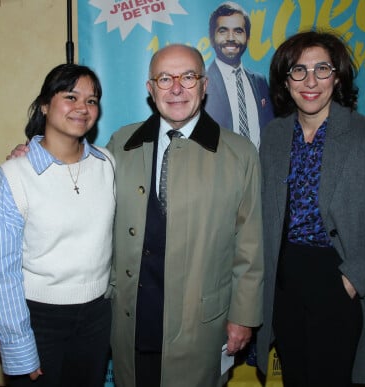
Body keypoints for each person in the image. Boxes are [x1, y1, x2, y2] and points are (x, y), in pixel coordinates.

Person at [255, 30, 365, 387]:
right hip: (285, 286)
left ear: (338, 76)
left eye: (322, 69)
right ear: (286, 79)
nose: (310, 81)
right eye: (298, 70)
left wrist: (350, 281)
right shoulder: (273, 137)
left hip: (344, 281)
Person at [107, 43, 263, 387]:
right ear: (150, 89)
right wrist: (37, 147)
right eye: (165, 79)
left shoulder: (240, 154)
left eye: (188, 77)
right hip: (133, 317)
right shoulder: (121, 144)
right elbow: (78, 179)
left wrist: (244, 318)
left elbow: (250, 248)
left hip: (200, 324)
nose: (176, 88)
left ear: (205, 85)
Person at [0, 63, 116, 387]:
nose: (82, 108)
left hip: (98, 318)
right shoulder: (14, 176)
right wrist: (18, 344)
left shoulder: (107, 163)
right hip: (38, 320)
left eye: (92, 100)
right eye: (71, 96)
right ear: (45, 104)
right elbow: (3, 273)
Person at [205, 1, 274, 148]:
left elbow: (269, 129)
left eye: (238, 31)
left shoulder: (260, 81)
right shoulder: (201, 84)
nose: (231, 38)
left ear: (248, 38)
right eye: (223, 30)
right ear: (212, 38)